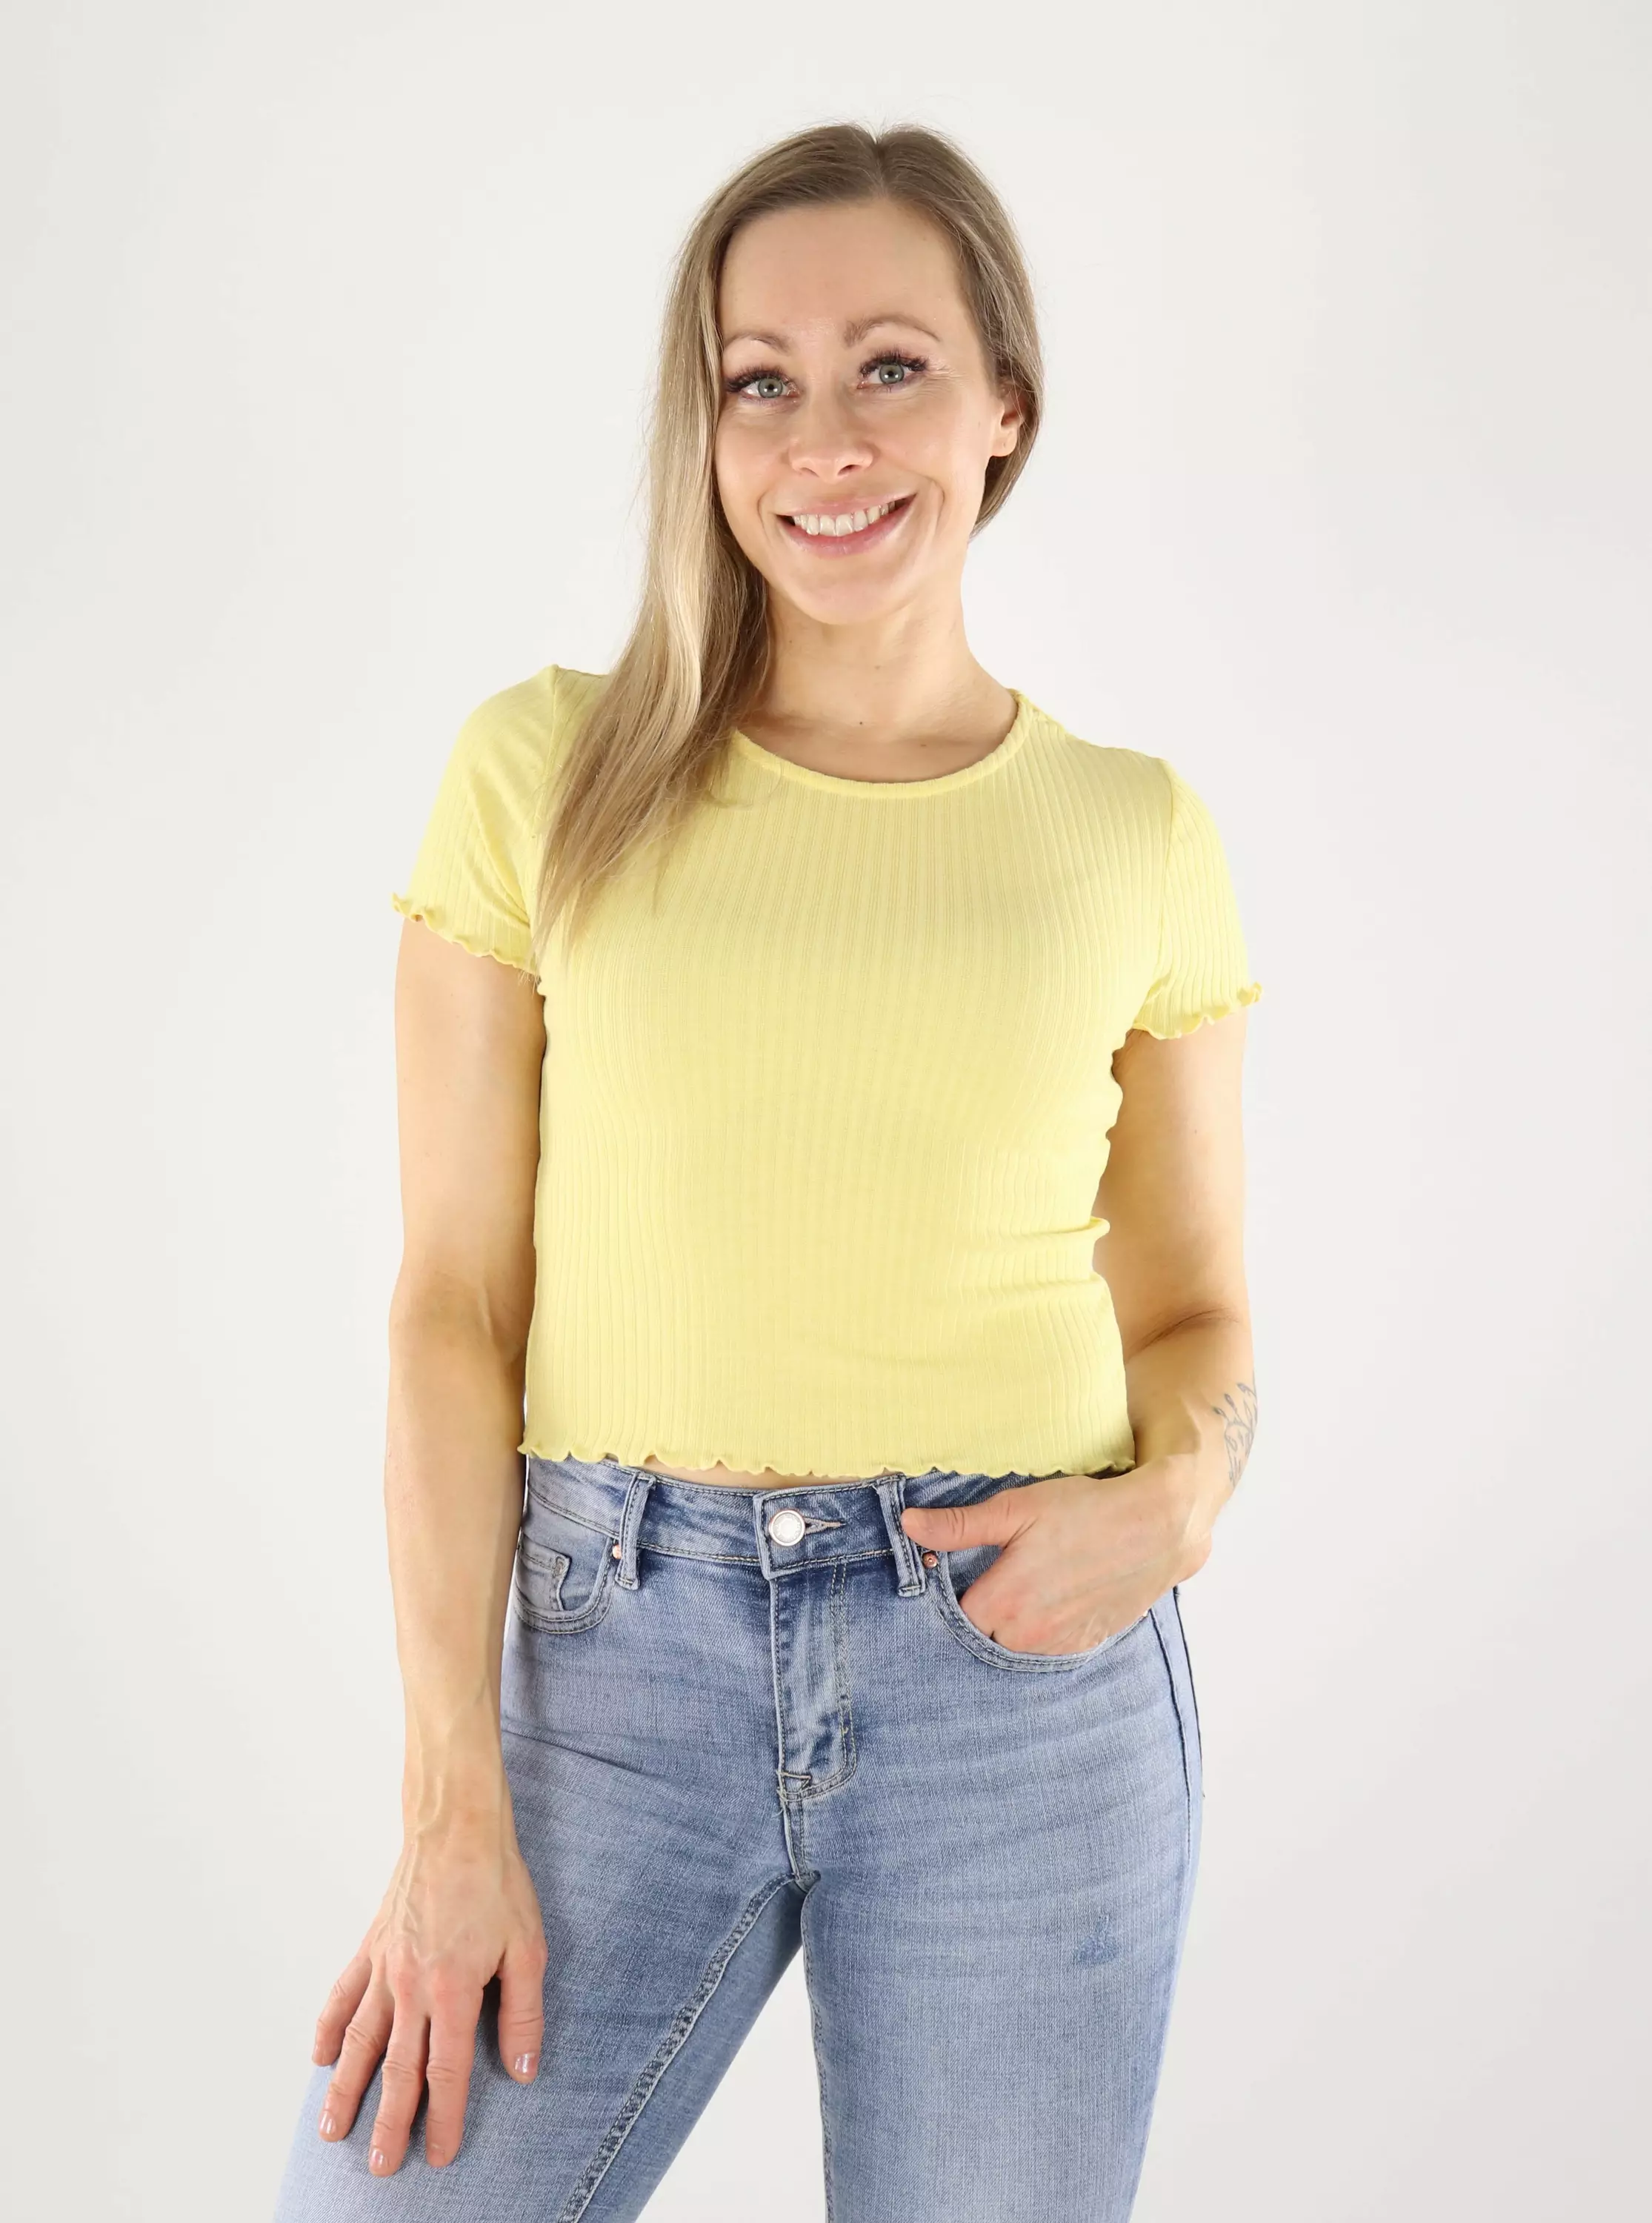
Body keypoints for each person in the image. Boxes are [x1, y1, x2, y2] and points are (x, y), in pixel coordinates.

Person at [271, 119, 1262, 2223]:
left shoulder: (1130, 833)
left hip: (1021, 1692)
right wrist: (450, 1801)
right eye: (758, 380)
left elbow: (1194, 1315)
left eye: (892, 366)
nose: (825, 441)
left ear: (1006, 406)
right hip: (613, 1666)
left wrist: (1179, 1501)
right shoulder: (548, 772)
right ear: (703, 427)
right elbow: (451, 1304)